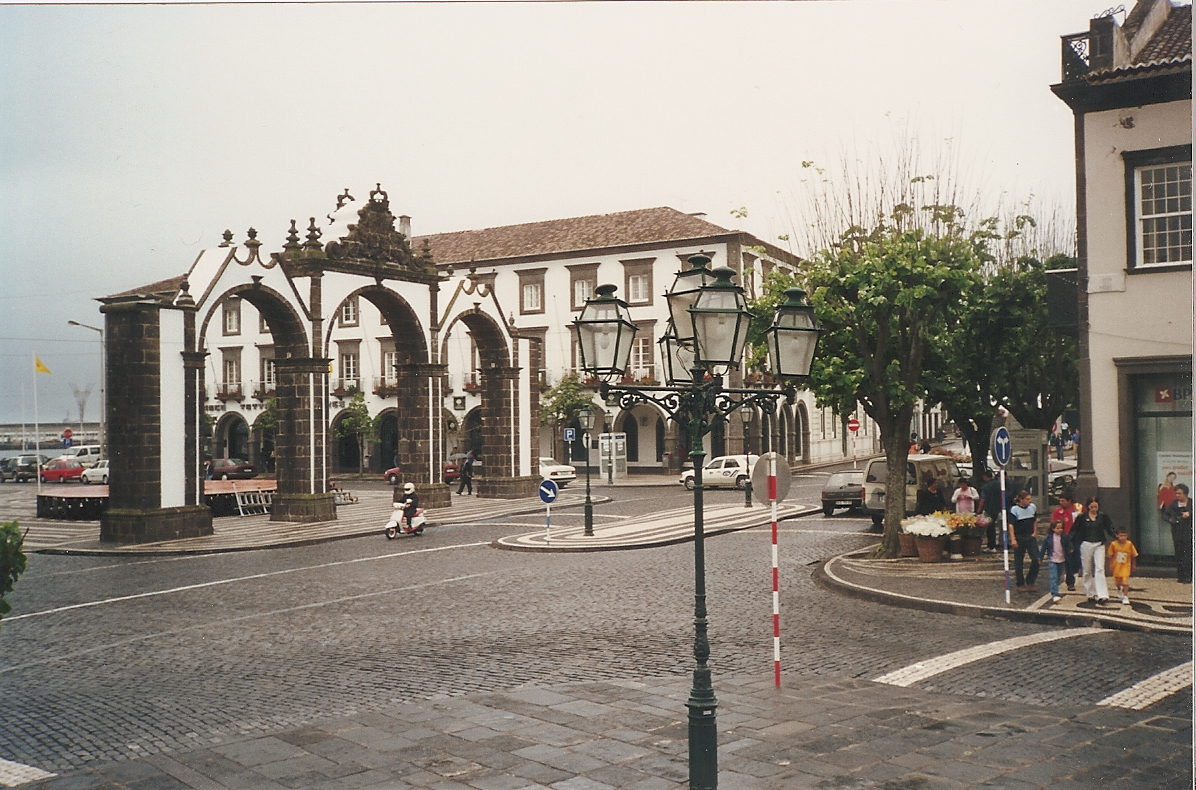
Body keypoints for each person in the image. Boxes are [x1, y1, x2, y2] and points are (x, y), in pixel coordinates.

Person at [1072, 496, 1115, 603]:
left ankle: (1102, 594)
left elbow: (1109, 528)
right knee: (1087, 570)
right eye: (1092, 507)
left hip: (1099, 544)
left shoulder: (1103, 516)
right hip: (1086, 543)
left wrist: (1116, 536)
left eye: (1096, 507)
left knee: (1100, 568)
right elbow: (1074, 530)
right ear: (1088, 506)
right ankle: (1090, 592)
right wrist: (1070, 543)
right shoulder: (1082, 517)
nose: (1094, 509)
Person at [1008, 490, 1039, 592]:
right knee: (1019, 562)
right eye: (1027, 499)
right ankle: (1020, 583)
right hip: (1019, 536)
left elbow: (1034, 520)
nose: (1029, 501)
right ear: (1021, 500)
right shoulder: (1014, 509)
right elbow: (1011, 525)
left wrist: (1034, 532)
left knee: (1036, 559)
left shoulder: (1032, 507)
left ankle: (1031, 580)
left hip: (1030, 536)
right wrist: (1013, 538)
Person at [1051, 492, 1083, 591]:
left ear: (1069, 501)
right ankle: (1070, 582)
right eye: (1060, 500)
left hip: (1078, 537)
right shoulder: (1058, 512)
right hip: (1065, 538)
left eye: (1063, 501)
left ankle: (1076, 573)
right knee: (1068, 560)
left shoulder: (1078, 508)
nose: (1061, 502)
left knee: (1078, 558)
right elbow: (1053, 524)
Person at [1163, 483, 1193, 583]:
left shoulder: (1191, 503)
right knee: (1179, 554)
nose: (1177, 496)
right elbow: (1165, 515)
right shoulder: (1174, 504)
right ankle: (1181, 576)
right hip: (1177, 533)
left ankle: (1189, 576)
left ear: (1185, 494)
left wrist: (1190, 514)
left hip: (1189, 532)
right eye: (1176, 494)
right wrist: (1171, 520)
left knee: (1188, 555)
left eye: (1179, 494)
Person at [1038, 519, 1073, 602]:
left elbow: (1069, 544)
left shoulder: (1064, 536)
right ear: (1053, 529)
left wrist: (1070, 549)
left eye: (1061, 528)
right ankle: (1054, 593)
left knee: (1058, 576)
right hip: (1052, 559)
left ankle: (1055, 589)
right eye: (1057, 528)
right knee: (1053, 576)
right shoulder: (1048, 538)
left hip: (1062, 559)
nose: (1059, 530)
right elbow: (1043, 548)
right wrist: (1040, 558)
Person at [1106, 527, 1138, 605]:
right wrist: (1110, 565)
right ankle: (1119, 589)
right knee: (1118, 582)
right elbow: (1110, 555)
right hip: (1116, 566)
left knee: (1125, 582)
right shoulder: (1113, 544)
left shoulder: (1129, 544)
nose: (1123, 537)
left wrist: (1134, 564)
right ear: (1117, 536)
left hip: (1126, 566)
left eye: (1124, 536)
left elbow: (1133, 555)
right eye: (1121, 535)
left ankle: (1125, 596)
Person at [977, 470, 1003, 552]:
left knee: (990, 528)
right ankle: (993, 545)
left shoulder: (985, 487)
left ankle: (991, 546)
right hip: (998, 508)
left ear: (985, 477)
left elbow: (983, 499)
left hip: (989, 509)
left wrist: (978, 510)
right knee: (996, 527)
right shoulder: (999, 485)